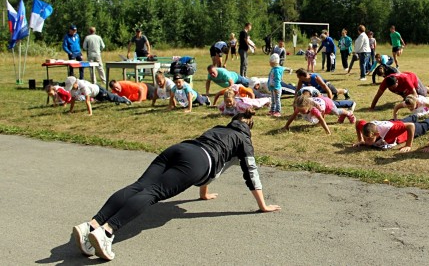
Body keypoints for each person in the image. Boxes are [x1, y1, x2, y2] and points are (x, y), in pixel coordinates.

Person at [71, 110, 280, 261]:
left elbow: (212, 161)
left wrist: (204, 193)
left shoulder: (218, 129)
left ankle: (91, 225)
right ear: (249, 128)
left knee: (139, 185)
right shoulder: (244, 140)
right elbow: (250, 173)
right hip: (198, 161)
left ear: (233, 120)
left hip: (181, 147)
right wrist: (263, 206)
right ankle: (106, 232)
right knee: (153, 193)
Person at [353, 115, 429, 151]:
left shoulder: (391, 130)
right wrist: (360, 139)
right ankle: (414, 116)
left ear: (377, 134)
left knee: (422, 126)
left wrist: (408, 145)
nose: (367, 141)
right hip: (394, 122)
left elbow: (410, 126)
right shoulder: (365, 127)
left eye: (369, 139)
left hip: (401, 131)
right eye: (365, 138)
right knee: (403, 121)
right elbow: (358, 122)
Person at [283, 95, 355, 135]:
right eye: (300, 110)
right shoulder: (299, 108)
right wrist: (286, 126)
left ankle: (349, 113)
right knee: (329, 113)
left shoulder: (314, 110)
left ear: (308, 107)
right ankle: (343, 115)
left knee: (336, 112)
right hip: (320, 102)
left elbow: (322, 120)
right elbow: (292, 117)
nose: (300, 112)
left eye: (302, 110)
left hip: (328, 103)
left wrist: (328, 132)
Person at [65, 76, 131, 115]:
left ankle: (124, 99)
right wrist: (70, 111)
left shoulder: (83, 86)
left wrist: (90, 113)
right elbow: (73, 100)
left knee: (111, 98)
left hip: (99, 91)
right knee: (108, 99)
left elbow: (87, 101)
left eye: (72, 87)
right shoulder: (73, 88)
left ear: (75, 83)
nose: (72, 89)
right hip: (95, 95)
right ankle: (117, 98)